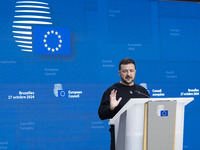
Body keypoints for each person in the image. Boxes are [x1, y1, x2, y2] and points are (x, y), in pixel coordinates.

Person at [98, 58, 150, 150]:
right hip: (119, 138)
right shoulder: (112, 91)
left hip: (141, 137)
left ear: (135, 72)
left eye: (131, 71)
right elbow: (101, 114)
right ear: (119, 73)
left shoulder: (142, 91)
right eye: (125, 71)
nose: (128, 74)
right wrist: (111, 108)